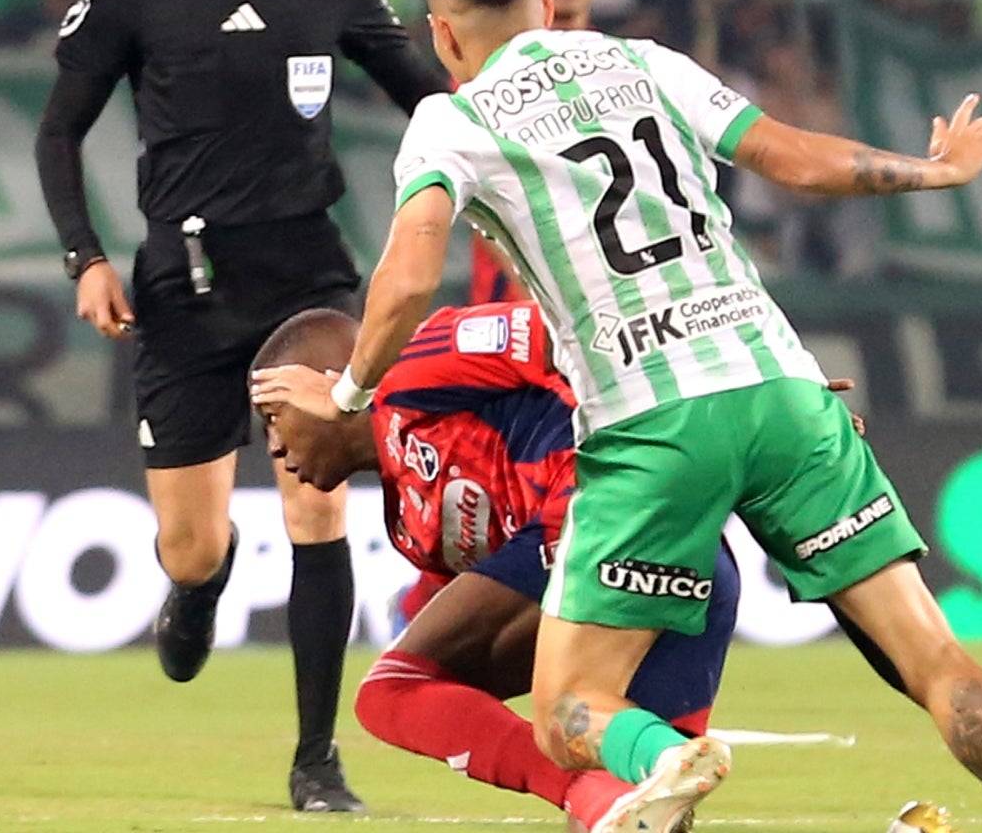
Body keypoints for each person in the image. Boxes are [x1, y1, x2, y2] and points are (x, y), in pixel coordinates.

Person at [251, 0, 982, 833]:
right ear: (549, 1)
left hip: (650, 422)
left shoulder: (454, 119)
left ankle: (666, 759)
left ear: (443, 36)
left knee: (571, 717)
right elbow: (790, 157)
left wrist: (350, 392)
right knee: (936, 662)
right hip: (783, 387)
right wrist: (932, 172)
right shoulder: (647, 64)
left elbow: (405, 279)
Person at [31, 0, 446, 813]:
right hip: (182, 283)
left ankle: (316, 759)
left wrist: (483, 153)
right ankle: (199, 586)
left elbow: (430, 106)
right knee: (193, 539)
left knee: (317, 507)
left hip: (305, 277)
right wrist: (85, 256)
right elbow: (58, 131)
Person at [251, 300, 739, 833]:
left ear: (331, 381)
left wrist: (732, 377)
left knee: (390, 690)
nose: (275, 447)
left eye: (274, 417)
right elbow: (469, 632)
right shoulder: (411, 524)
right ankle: (660, 756)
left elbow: (577, 326)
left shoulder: (419, 357)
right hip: (689, 560)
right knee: (634, 816)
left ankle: (600, 785)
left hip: (601, 509)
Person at [470, 0, 606, 303]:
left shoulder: (620, 66)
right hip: (514, 305)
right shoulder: (487, 67)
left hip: (607, 299)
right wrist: (536, 293)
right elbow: (477, 192)